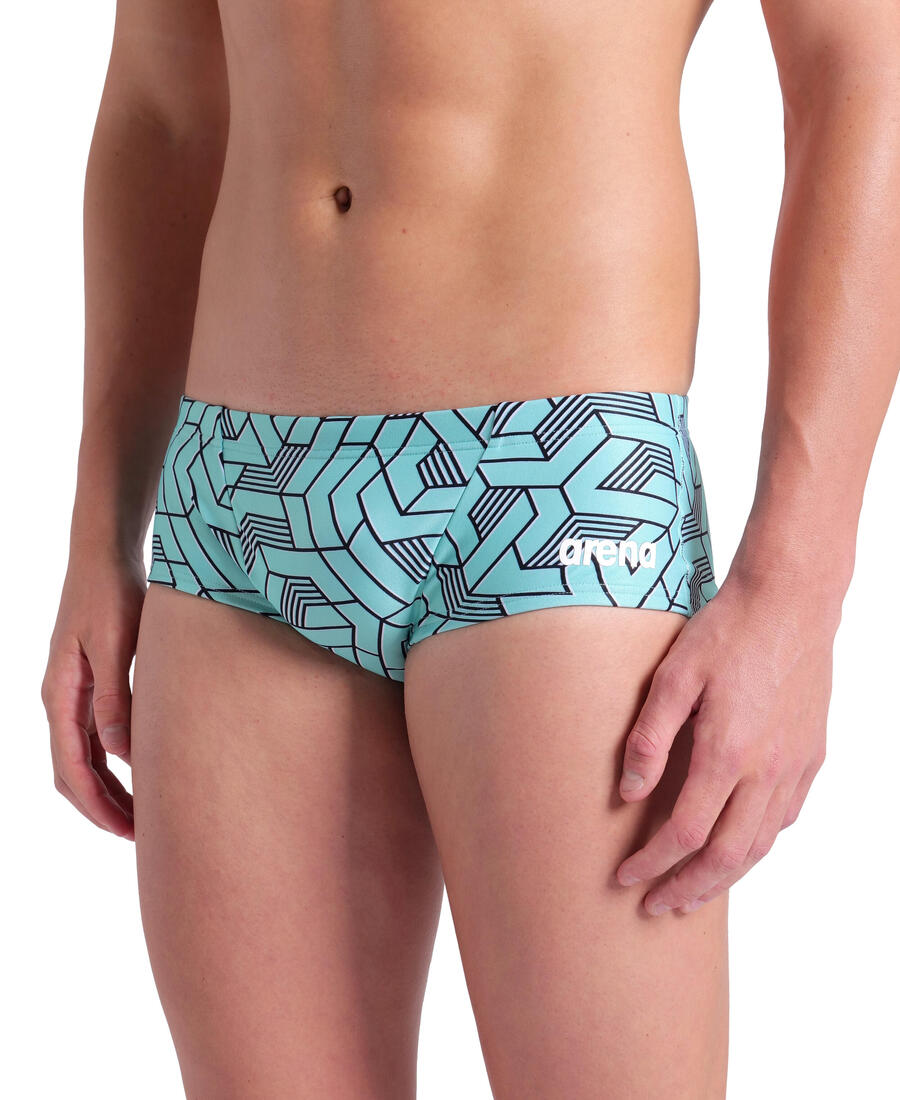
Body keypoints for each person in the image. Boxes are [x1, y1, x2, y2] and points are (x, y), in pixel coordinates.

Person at [40, 0, 900, 1096]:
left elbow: (862, 72)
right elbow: (163, 105)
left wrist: (796, 591)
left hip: (554, 487)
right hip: (236, 502)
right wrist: (99, 531)